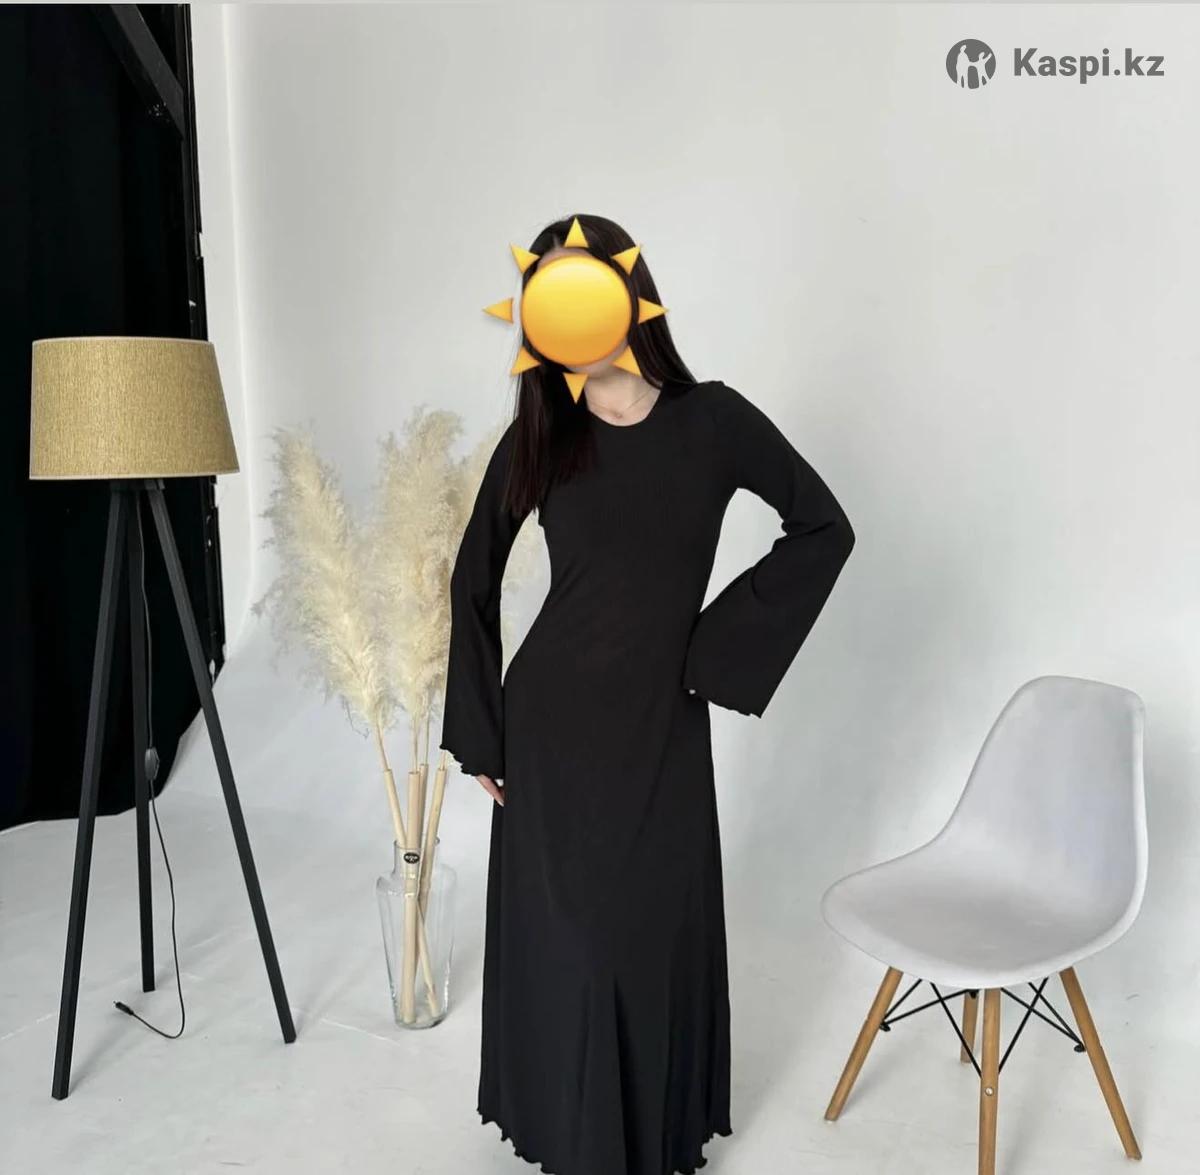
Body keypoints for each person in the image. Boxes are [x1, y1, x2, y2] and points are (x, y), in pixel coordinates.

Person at [441, 212, 855, 1175]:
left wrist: (715, 649)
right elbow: (473, 576)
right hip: (551, 729)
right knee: (576, 944)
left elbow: (822, 526)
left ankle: (647, 1136)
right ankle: (576, 1140)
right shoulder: (544, 433)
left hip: (662, 725)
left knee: (647, 933)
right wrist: (481, 732)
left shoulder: (714, 421)